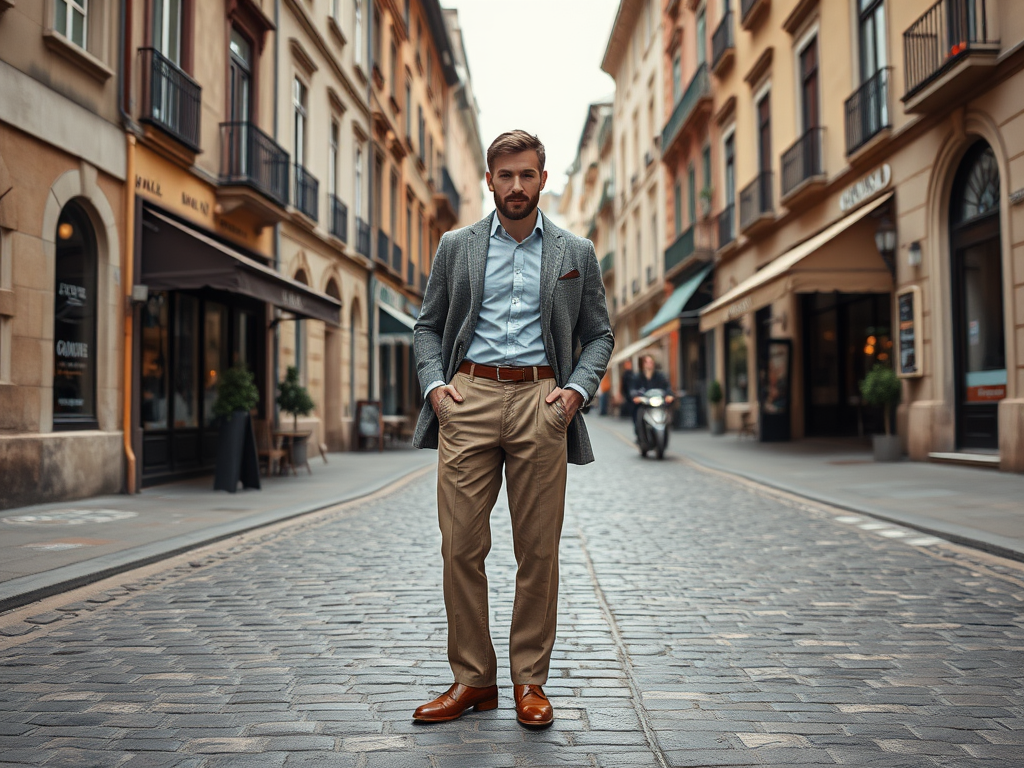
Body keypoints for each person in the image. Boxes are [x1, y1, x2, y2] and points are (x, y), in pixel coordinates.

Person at [411, 130, 613, 728]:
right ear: (490, 181)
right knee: (460, 545)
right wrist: (437, 389)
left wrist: (574, 393)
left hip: (541, 399)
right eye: (506, 176)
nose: (517, 186)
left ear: (543, 179)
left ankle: (530, 682)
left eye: (527, 175)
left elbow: (598, 333)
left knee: (538, 551)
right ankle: (473, 679)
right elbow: (427, 327)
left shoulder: (576, 251)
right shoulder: (457, 245)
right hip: (467, 397)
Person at [631, 354, 671, 438]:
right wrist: (635, 396)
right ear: (643, 364)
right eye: (647, 362)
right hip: (645, 404)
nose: (649, 364)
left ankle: (665, 434)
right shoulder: (638, 377)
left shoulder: (659, 376)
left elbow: (666, 387)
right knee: (638, 412)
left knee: (666, 413)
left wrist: (669, 395)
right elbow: (633, 389)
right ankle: (640, 434)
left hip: (658, 403)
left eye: (651, 362)